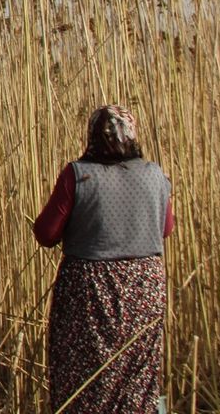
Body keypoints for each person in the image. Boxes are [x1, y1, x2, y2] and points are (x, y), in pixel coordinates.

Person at [33, 105, 173, 413]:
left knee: (85, 377)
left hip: (91, 291)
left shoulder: (78, 175)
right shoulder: (155, 174)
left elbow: (46, 233)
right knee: (136, 378)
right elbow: (167, 228)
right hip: (145, 289)